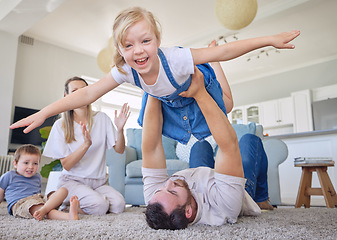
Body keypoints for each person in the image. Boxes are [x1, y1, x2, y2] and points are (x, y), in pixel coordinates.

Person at [9, 6, 300, 145]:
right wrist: (43, 113)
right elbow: (86, 94)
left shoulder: (175, 57)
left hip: (196, 88)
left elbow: (222, 52)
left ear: (157, 41)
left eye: (145, 41)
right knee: (153, 114)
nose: (138, 51)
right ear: (120, 49)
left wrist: (268, 39)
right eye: (128, 45)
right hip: (171, 104)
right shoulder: (125, 70)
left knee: (225, 107)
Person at [141, 67, 262, 230]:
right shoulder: (225, 207)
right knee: (250, 140)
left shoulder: (155, 199)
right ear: (188, 211)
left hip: (202, 179)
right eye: (173, 191)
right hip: (236, 191)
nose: (169, 182)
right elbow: (228, 146)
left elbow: (152, 147)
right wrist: (200, 93)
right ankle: (262, 196)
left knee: (200, 145)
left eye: (163, 188)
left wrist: (153, 86)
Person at [42, 76, 130, 215]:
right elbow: (67, 165)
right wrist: (86, 145)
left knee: (119, 205)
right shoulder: (61, 125)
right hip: (72, 181)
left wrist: (120, 130)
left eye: (84, 90)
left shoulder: (102, 118)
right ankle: (66, 206)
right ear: (66, 96)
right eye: (75, 91)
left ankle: (82, 203)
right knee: (100, 206)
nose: (80, 94)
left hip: (99, 182)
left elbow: (119, 150)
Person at [0, 144, 80, 220]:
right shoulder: (9, 176)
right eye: (26, 163)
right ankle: (68, 216)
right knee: (40, 209)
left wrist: (47, 201)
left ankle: (45, 209)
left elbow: (38, 195)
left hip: (38, 198)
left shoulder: (37, 176)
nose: (31, 167)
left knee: (63, 190)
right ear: (15, 163)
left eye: (35, 163)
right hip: (20, 203)